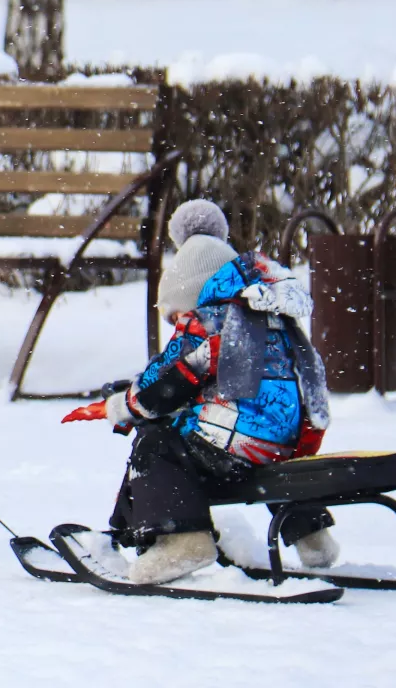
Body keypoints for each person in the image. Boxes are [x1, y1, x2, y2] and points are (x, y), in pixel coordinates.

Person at [62, 199, 338, 584]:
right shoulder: (272, 317)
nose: (176, 323)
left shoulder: (205, 319)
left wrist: (119, 404)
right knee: (262, 446)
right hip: (288, 442)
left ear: (189, 295)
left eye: (174, 315)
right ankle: (313, 539)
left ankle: (183, 541)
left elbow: (159, 386)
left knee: (156, 443)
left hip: (234, 443)